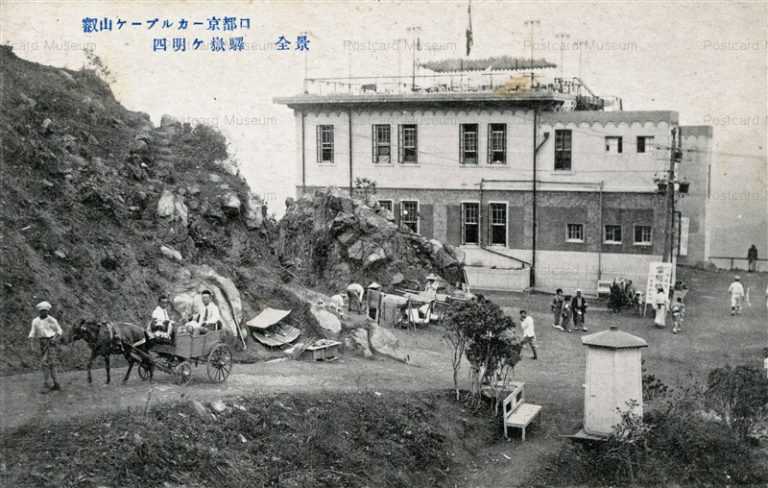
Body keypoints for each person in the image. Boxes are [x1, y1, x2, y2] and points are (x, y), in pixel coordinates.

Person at [28, 301, 63, 393]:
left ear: (48, 311)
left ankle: (48, 384)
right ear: (39, 311)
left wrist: (54, 338)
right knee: (49, 363)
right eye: (42, 311)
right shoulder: (35, 321)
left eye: (45, 311)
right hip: (42, 343)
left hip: (51, 343)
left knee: (46, 363)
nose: (44, 312)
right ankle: (55, 384)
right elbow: (32, 333)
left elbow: (59, 331)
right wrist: (32, 345)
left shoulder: (52, 320)